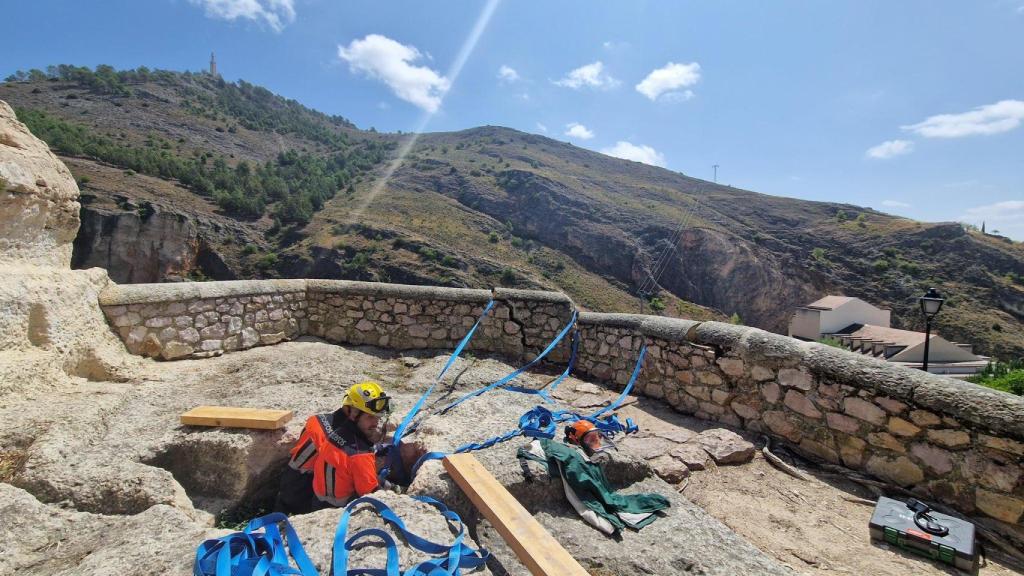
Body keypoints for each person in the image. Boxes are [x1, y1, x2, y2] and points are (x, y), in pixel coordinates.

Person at [276, 381, 403, 515]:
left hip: (295, 490)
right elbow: (368, 490)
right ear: (352, 412)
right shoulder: (356, 450)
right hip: (307, 498)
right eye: (370, 416)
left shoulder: (317, 421)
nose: (376, 423)